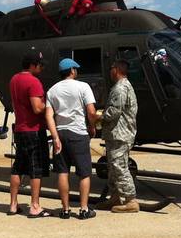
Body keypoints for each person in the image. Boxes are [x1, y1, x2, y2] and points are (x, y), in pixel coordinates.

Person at [46, 58, 98, 220]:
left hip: (60, 134)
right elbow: (91, 111)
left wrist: (55, 137)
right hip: (78, 134)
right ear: (73, 71)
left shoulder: (52, 90)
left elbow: (49, 116)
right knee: (84, 173)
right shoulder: (83, 87)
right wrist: (92, 126)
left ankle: (65, 210)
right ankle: (83, 209)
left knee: (62, 172)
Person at [8, 54, 52, 218]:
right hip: (33, 129)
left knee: (18, 166)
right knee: (36, 168)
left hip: (20, 128)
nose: (42, 68)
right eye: (40, 65)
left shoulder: (14, 79)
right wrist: (50, 107)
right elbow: (37, 108)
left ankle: (13, 204)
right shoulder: (34, 82)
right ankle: (35, 206)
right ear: (32, 65)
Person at [99, 60, 139, 213]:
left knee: (119, 167)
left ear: (116, 70)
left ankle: (130, 200)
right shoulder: (122, 86)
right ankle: (116, 196)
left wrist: (99, 117)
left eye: (111, 69)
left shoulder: (120, 88)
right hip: (117, 134)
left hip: (120, 135)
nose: (110, 72)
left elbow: (114, 112)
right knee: (113, 168)